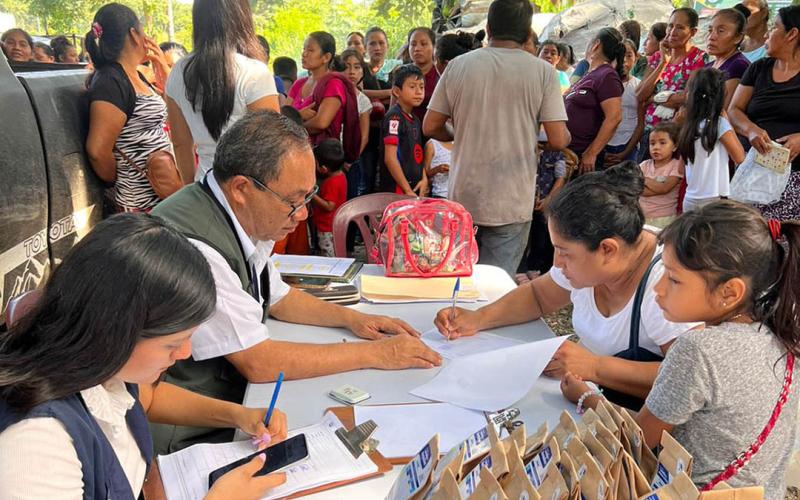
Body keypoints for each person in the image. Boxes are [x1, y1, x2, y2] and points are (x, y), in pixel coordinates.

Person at [151, 111, 441, 453]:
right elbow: (260, 362)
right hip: (190, 436)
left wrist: (355, 320)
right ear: (242, 188)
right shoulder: (197, 248)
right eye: (293, 201)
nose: (302, 213)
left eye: (308, 196)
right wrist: (378, 353)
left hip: (234, 406)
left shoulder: (238, 213)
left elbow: (279, 296)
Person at [0, 214, 289, 499]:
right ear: (113, 331)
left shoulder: (98, 364)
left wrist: (238, 416)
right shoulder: (35, 446)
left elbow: (148, 398)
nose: (185, 352)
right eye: (172, 343)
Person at [562, 201, 800, 500]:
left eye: (673, 279)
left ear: (730, 292)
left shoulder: (698, 350)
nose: (658, 288)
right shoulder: (781, 336)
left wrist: (587, 397)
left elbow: (638, 439)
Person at [435, 161, 699, 409]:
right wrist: (478, 318)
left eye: (564, 252)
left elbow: (686, 381)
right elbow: (539, 296)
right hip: (590, 399)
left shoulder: (666, 284)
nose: (557, 263)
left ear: (607, 249)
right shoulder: (590, 263)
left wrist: (594, 367)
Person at [424, 0, 570, 277]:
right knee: (495, 286)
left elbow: (431, 126)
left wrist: (459, 135)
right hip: (511, 199)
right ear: (527, 33)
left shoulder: (458, 66)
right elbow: (559, 139)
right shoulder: (543, 72)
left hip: (464, 193)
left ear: (489, 29)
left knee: (455, 278)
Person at [166, 0, 278, 184]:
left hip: (205, 184)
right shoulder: (255, 73)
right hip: (248, 187)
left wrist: (191, 188)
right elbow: (271, 145)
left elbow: (180, 143)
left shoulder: (179, 71)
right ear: (241, 16)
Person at [84, 4, 176, 213]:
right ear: (134, 34)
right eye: (143, 31)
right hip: (140, 206)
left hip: (162, 197)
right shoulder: (111, 81)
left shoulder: (135, 75)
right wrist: (123, 178)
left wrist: (163, 70)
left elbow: (172, 115)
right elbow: (97, 151)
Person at [728, 5, 800, 222]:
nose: (767, 34)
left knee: (787, 238)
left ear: (792, 34)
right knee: (750, 234)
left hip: (795, 179)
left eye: (774, 27)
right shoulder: (758, 68)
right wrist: (751, 130)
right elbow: (734, 110)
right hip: (754, 175)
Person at [677, 68, 745, 212]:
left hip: (689, 199)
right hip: (713, 200)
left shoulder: (688, 127)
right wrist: (727, 122)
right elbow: (739, 157)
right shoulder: (719, 124)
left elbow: (680, 169)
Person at [638, 8, 708, 132]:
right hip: (648, 130)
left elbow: (686, 98)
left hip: (673, 133)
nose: (672, 32)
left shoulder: (698, 58)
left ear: (693, 32)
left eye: (680, 27)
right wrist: (663, 63)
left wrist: (653, 98)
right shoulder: (658, 57)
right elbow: (640, 95)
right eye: (670, 26)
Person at [565, 27, 625, 173]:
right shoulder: (589, 74)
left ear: (596, 44)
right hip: (566, 153)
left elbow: (614, 117)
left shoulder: (607, 75)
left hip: (581, 157)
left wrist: (592, 153)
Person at [287, 32, 355, 147]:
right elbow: (281, 116)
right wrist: (299, 115)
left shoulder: (333, 84)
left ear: (326, 57)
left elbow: (321, 123)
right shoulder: (299, 84)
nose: (304, 54)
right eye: (304, 49)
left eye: (310, 50)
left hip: (321, 151)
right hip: (293, 149)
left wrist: (292, 127)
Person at [520, 131, 569, 279]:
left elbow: (561, 177)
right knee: (521, 236)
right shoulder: (525, 152)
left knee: (540, 238)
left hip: (544, 201)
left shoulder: (557, 155)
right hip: (524, 200)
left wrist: (549, 198)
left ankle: (535, 268)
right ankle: (520, 269)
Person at [378, 65, 428, 196]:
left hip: (414, 187)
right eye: (412, 87)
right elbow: (390, 158)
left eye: (421, 87)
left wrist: (424, 179)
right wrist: (407, 189)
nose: (418, 92)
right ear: (396, 91)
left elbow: (418, 153)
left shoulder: (416, 120)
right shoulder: (394, 117)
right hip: (398, 189)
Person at [340, 48, 374, 199]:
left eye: (357, 67)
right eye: (347, 66)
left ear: (362, 72)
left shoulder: (363, 100)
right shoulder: (332, 95)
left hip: (351, 159)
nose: (352, 72)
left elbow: (364, 136)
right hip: (330, 157)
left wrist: (351, 159)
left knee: (350, 199)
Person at [604, 38, 643, 165]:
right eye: (620, 55)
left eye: (629, 55)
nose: (624, 60)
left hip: (629, 145)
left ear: (636, 58)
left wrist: (625, 153)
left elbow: (640, 124)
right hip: (604, 145)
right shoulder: (604, 83)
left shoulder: (639, 86)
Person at [639, 122, 684, 228]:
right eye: (652, 143)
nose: (656, 147)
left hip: (665, 218)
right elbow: (633, 188)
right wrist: (655, 186)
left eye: (662, 143)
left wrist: (644, 180)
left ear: (674, 146)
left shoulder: (676, 166)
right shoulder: (644, 165)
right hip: (641, 216)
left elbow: (664, 188)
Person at [706, 8, 751, 109]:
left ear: (738, 38)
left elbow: (722, 111)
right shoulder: (708, 66)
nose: (711, 37)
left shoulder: (738, 65)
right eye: (710, 30)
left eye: (721, 31)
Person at [311, 139, 347, 257]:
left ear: (324, 168)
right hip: (336, 225)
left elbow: (329, 206)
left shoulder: (332, 182)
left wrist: (311, 194)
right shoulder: (341, 176)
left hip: (327, 228)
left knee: (329, 256)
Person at [407, 27, 439, 126]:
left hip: (433, 130)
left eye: (423, 44)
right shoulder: (402, 72)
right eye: (413, 44)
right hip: (405, 130)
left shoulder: (440, 73)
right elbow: (393, 109)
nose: (417, 49)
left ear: (433, 46)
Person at [364, 27, 402, 93]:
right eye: (372, 44)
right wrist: (389, 92)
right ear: (365, 47)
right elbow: (357, 92)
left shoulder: (396, 67)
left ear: (387, 46)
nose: (377, 48)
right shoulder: (360, 69)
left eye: (381, 43)